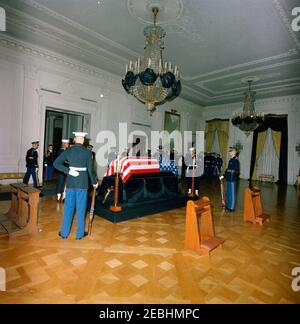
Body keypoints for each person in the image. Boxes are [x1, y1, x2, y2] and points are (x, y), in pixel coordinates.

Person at [54, 132, 98, 240]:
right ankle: (79, 234)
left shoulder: (68, 150)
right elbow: (90, 170)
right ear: (83, 140)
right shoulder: (88, 153)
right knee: (81, 208)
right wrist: (94, 182)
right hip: (82, 183)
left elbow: (56, 163)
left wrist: (68, 171)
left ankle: (64, 233)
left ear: (74, 139)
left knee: (68, 207)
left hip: (71, 183)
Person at [220, 147, 240, 212]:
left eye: (231, 151)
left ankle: (232, 208)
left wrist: (230, 174)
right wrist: (223, 175)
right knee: (228, 193)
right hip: (229, 179)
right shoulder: (231, 160)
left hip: (232, 179)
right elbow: (228, 170)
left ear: (234, 152)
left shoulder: (236, 161)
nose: (229, 152)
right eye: (229, 151)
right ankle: (228, 205)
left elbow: (236, 171)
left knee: (232, 193)